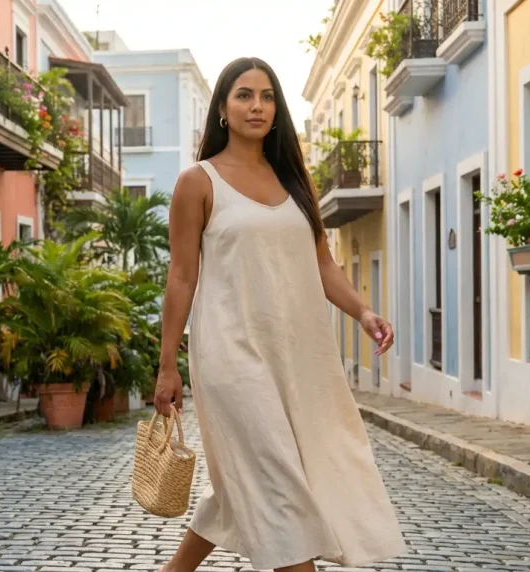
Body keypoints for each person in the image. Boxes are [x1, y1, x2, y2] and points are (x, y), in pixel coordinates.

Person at [152, 57, 407, 572]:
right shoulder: (197, 182)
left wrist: (363, 311)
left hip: (297, 355)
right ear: (223, 107)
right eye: (244, 95)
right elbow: (181, 277)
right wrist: (166, 364)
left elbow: (321, 263)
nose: (257, 106)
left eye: (267, 96)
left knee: (244, 487)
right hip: (230, 354)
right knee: (279, 482)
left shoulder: (294, 180)